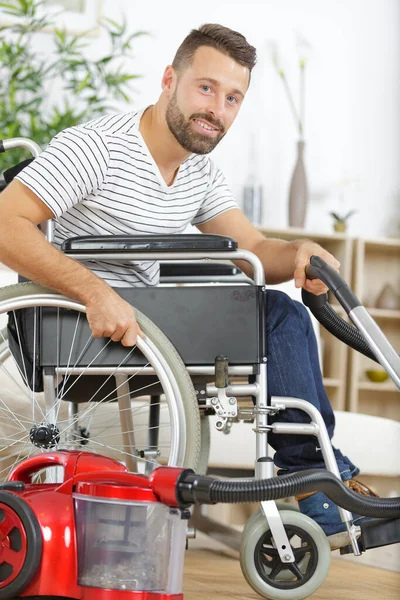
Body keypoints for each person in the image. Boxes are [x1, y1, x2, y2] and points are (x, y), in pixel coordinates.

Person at [0, 23, 375, 549]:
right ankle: (319, 485)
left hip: (149, 321)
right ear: (169, 79)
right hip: (88, 326)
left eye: (232, 98)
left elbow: (252, 250)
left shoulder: (199, 172)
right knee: (278, 316)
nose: (216, 109)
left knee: (280, 308)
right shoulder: (97, 148)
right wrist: (94, 292)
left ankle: (317, 478)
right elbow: (4, 221)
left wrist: (296, 255)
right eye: (206, 88)